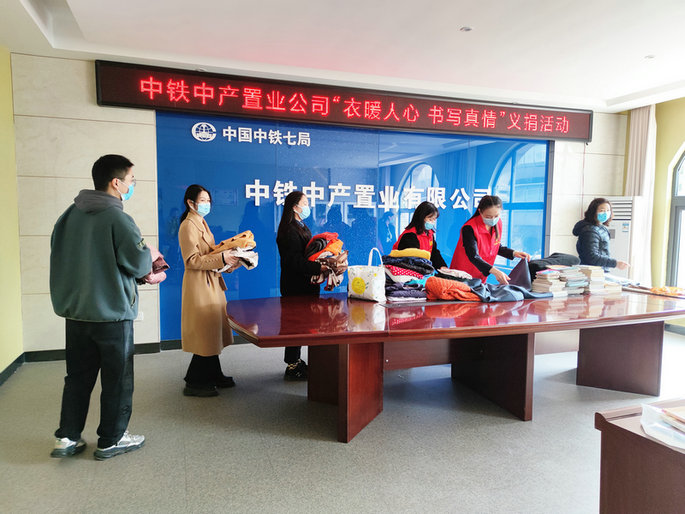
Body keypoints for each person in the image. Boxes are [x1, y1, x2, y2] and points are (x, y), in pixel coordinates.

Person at [49, 154, 151, 460]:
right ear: (116, 183)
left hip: (76, 312)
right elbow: (138, 263)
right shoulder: (118, 219)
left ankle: (67, 437)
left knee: (77, 378)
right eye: (131, 180)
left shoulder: (69, 215)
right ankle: (111, 439)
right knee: (117, 380)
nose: (132, 186)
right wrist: (149, 258)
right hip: (112, 316)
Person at [178, 184, 240, 397]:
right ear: (190, 203)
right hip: (199, 285)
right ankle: (195, 381)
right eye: (203, 200)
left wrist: (231, 260)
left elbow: (210, 254)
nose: (207, 204)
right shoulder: (188, 225)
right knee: (205, 332)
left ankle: (214, 373)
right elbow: (192, 260)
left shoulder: (201, 222)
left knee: (212, 330)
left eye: (208, 200)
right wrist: (222, 258)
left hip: (210, 281)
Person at [276, 191, 328, 380]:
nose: (308, 207)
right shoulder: (289, 230)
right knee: (295, 327)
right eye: (304, 203)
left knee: (304, 326)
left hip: (306, 284)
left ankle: (296, 362)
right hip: (295, 286)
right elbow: (294, 261)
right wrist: (319, 267)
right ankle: (292, 366)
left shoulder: (301, 226)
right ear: (294, 207)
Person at [450, 195, 530, 284]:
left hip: (481, 274)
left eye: (496, 216)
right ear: (480, 211)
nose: (493, 219)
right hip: (463, 274)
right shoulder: (469, 228)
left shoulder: (498, 223)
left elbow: (494, 246)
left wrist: (514, 253)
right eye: (488, 217)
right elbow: (473, 256)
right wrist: (495, 271)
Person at [573, 197, 630, 272]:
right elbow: (592, 257)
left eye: (608, 210)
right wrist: (616, 263)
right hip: (592, 272)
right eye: (602, 211)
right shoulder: (590, 231)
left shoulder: (601, 228)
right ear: (593, 212)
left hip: (599, 271)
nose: (605, 213)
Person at [393, 201, 448, 269]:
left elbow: (433, 253)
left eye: (434, 219)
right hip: (408, 271)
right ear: (421, 218)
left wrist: (442, 267)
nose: (432, 222)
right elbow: (411, 260)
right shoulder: (410, 235)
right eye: (430, 219)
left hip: (422, 269)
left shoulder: (429, 233)